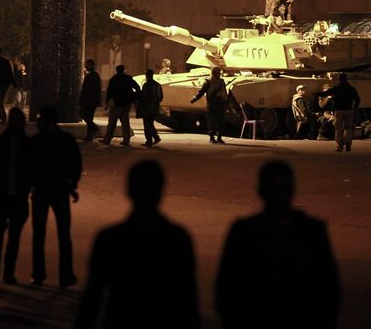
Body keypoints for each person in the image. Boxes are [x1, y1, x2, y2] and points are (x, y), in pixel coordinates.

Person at [215, 160, 341, 329]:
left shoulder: (245, 232)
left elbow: (226, 291)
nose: (279, 197)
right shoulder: (311, 232)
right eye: (275, 190)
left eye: (283, 190)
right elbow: (328, 292)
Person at [76, 160, 199, 329]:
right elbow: (188, 299)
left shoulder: (110, 239)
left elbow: (92, 297)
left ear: (129, 190)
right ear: (161, 191)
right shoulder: (177, 239)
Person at [30, 107, 82, 287]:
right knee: (60, 235)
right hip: (57, 190)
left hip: (46, 191)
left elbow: (75, 164)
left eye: (41, 121)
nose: (38, 124)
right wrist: (72, 184)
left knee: (42, 235)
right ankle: (64, 275)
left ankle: (40, 274)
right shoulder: (64, 140)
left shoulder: (38, 142)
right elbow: (76, 164)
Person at [0, 108, 31, 284]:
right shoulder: (1, 145)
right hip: (4, 195)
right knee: (1, 234)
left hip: (17, 196)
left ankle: (8, 269)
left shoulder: (25, 147)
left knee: (11, 236)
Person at [318, 73, 360, 152]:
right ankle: (347, 143)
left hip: (339, 111)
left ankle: (339, 146)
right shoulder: (351, 88)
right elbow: (357, 99)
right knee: (348, 128)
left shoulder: (336, 88)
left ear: (339, 80)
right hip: (348, 110)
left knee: (338, 129)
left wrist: (317, 94)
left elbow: (326, 94)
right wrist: (354, 107)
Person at [100, 65, 140, 146]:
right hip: (126, 104)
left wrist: (107, 103)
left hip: (117, 103)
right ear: (124, 70)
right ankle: (126, 140)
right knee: (125, 123)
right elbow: (137, 87)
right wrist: (133, 97)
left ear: (117, 70)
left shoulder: (114, 79)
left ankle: (107, 139)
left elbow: (109, 91)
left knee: (112, 122)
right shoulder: (128, 78)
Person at [190, 66, 227, 144]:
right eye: (218, 73)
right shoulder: (208, 81)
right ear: (214, 73)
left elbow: (224, 92)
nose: (219, 74)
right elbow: (202, 91)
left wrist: (226, 102)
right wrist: (195, 98)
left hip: (220, 103)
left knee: (220, 121)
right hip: (212, 103)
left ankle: (219, 137)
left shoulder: (221, 81)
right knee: (212, 121)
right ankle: (212, 137)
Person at [137, 69, 163, 147]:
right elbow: (161, 96)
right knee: (150, 124)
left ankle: (149, 141)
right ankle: (156, 137)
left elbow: (143, 97)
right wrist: (156, 103)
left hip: (147, 108)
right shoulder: (158, 85)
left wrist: (140, 105)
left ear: (147, 75)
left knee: (147, 125)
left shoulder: (146, 85)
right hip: (155, 108)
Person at [78, 59, 101, 142]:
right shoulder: (92, 75)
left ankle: (94, 128)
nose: (87, 66)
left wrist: (84, 100)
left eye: (88, 65)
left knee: (83, 114)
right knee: (89, 118)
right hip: (90, 101)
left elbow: (90, 90)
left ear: (92, 65)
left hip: (89, 101)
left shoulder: (93, 76)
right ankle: (89, 135)